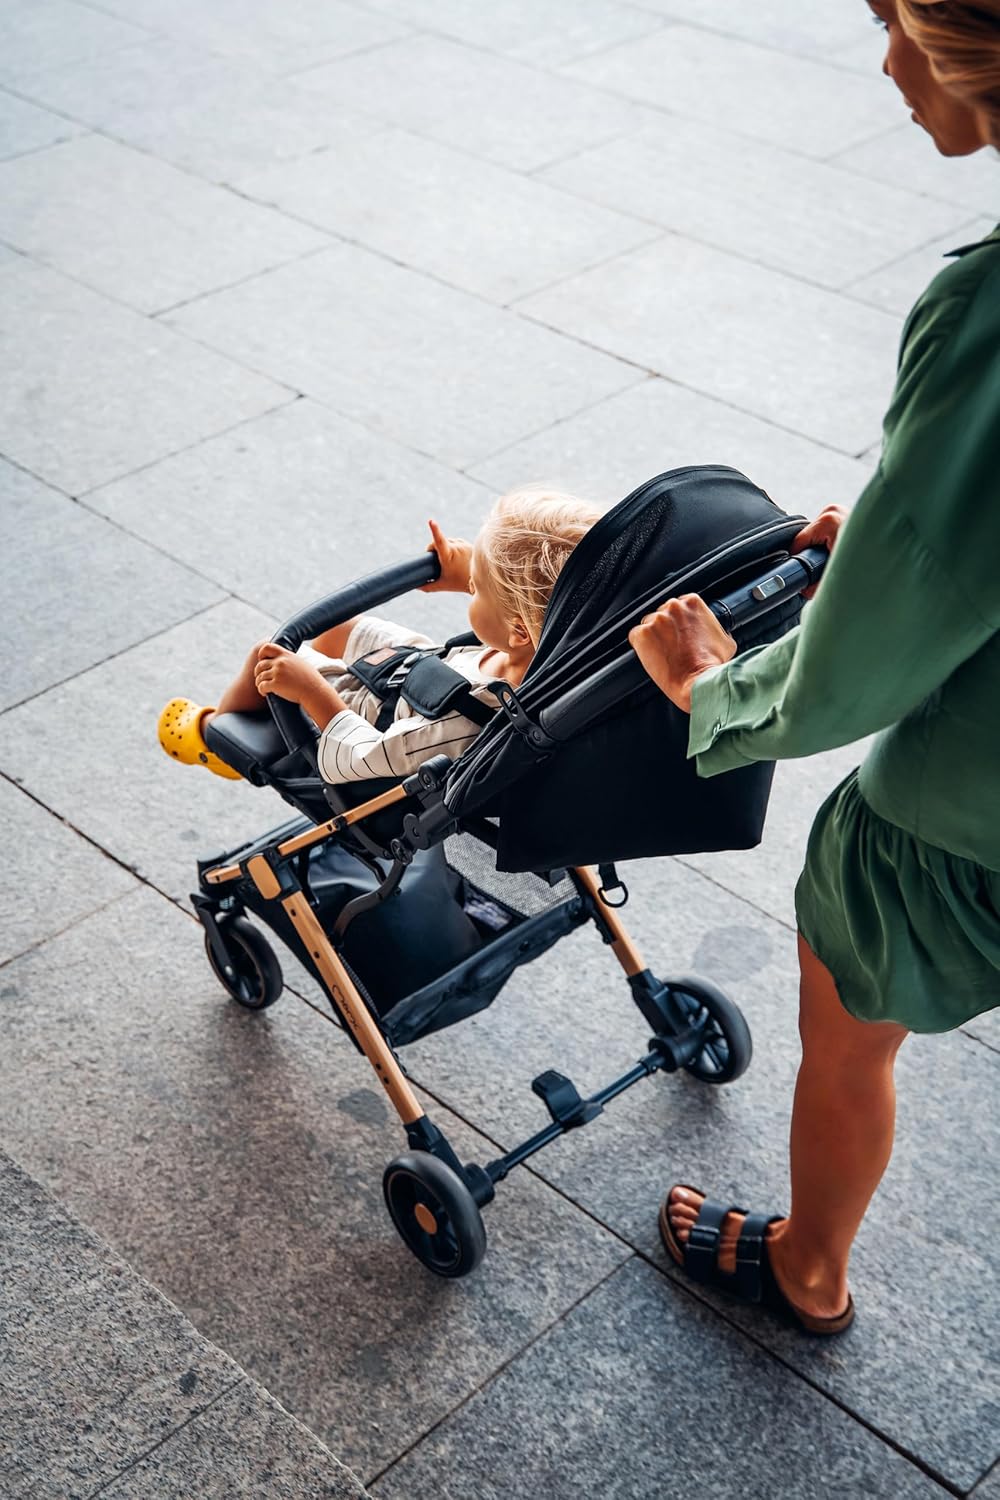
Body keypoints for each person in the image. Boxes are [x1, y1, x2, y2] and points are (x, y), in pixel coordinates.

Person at [628, 0, 1000, 1336]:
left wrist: (711, 687)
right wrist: (905, 537)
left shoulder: (988, 314)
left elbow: (874, 658)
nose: (888, 61)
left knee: (848, 1030)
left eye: (895, 19)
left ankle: (807, 1266)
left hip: (969, 811)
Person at [158, 488, 601, 785]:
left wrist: (311, 691)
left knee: (270, 655)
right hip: (429, 669)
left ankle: (218, 740)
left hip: (372, 716)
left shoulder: (462, 729)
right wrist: (468, 573)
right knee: (334, 628)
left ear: (518, 630)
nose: (470, 586)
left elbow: (364, 757)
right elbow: (540, 604)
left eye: (476, 587)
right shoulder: (560, 647)